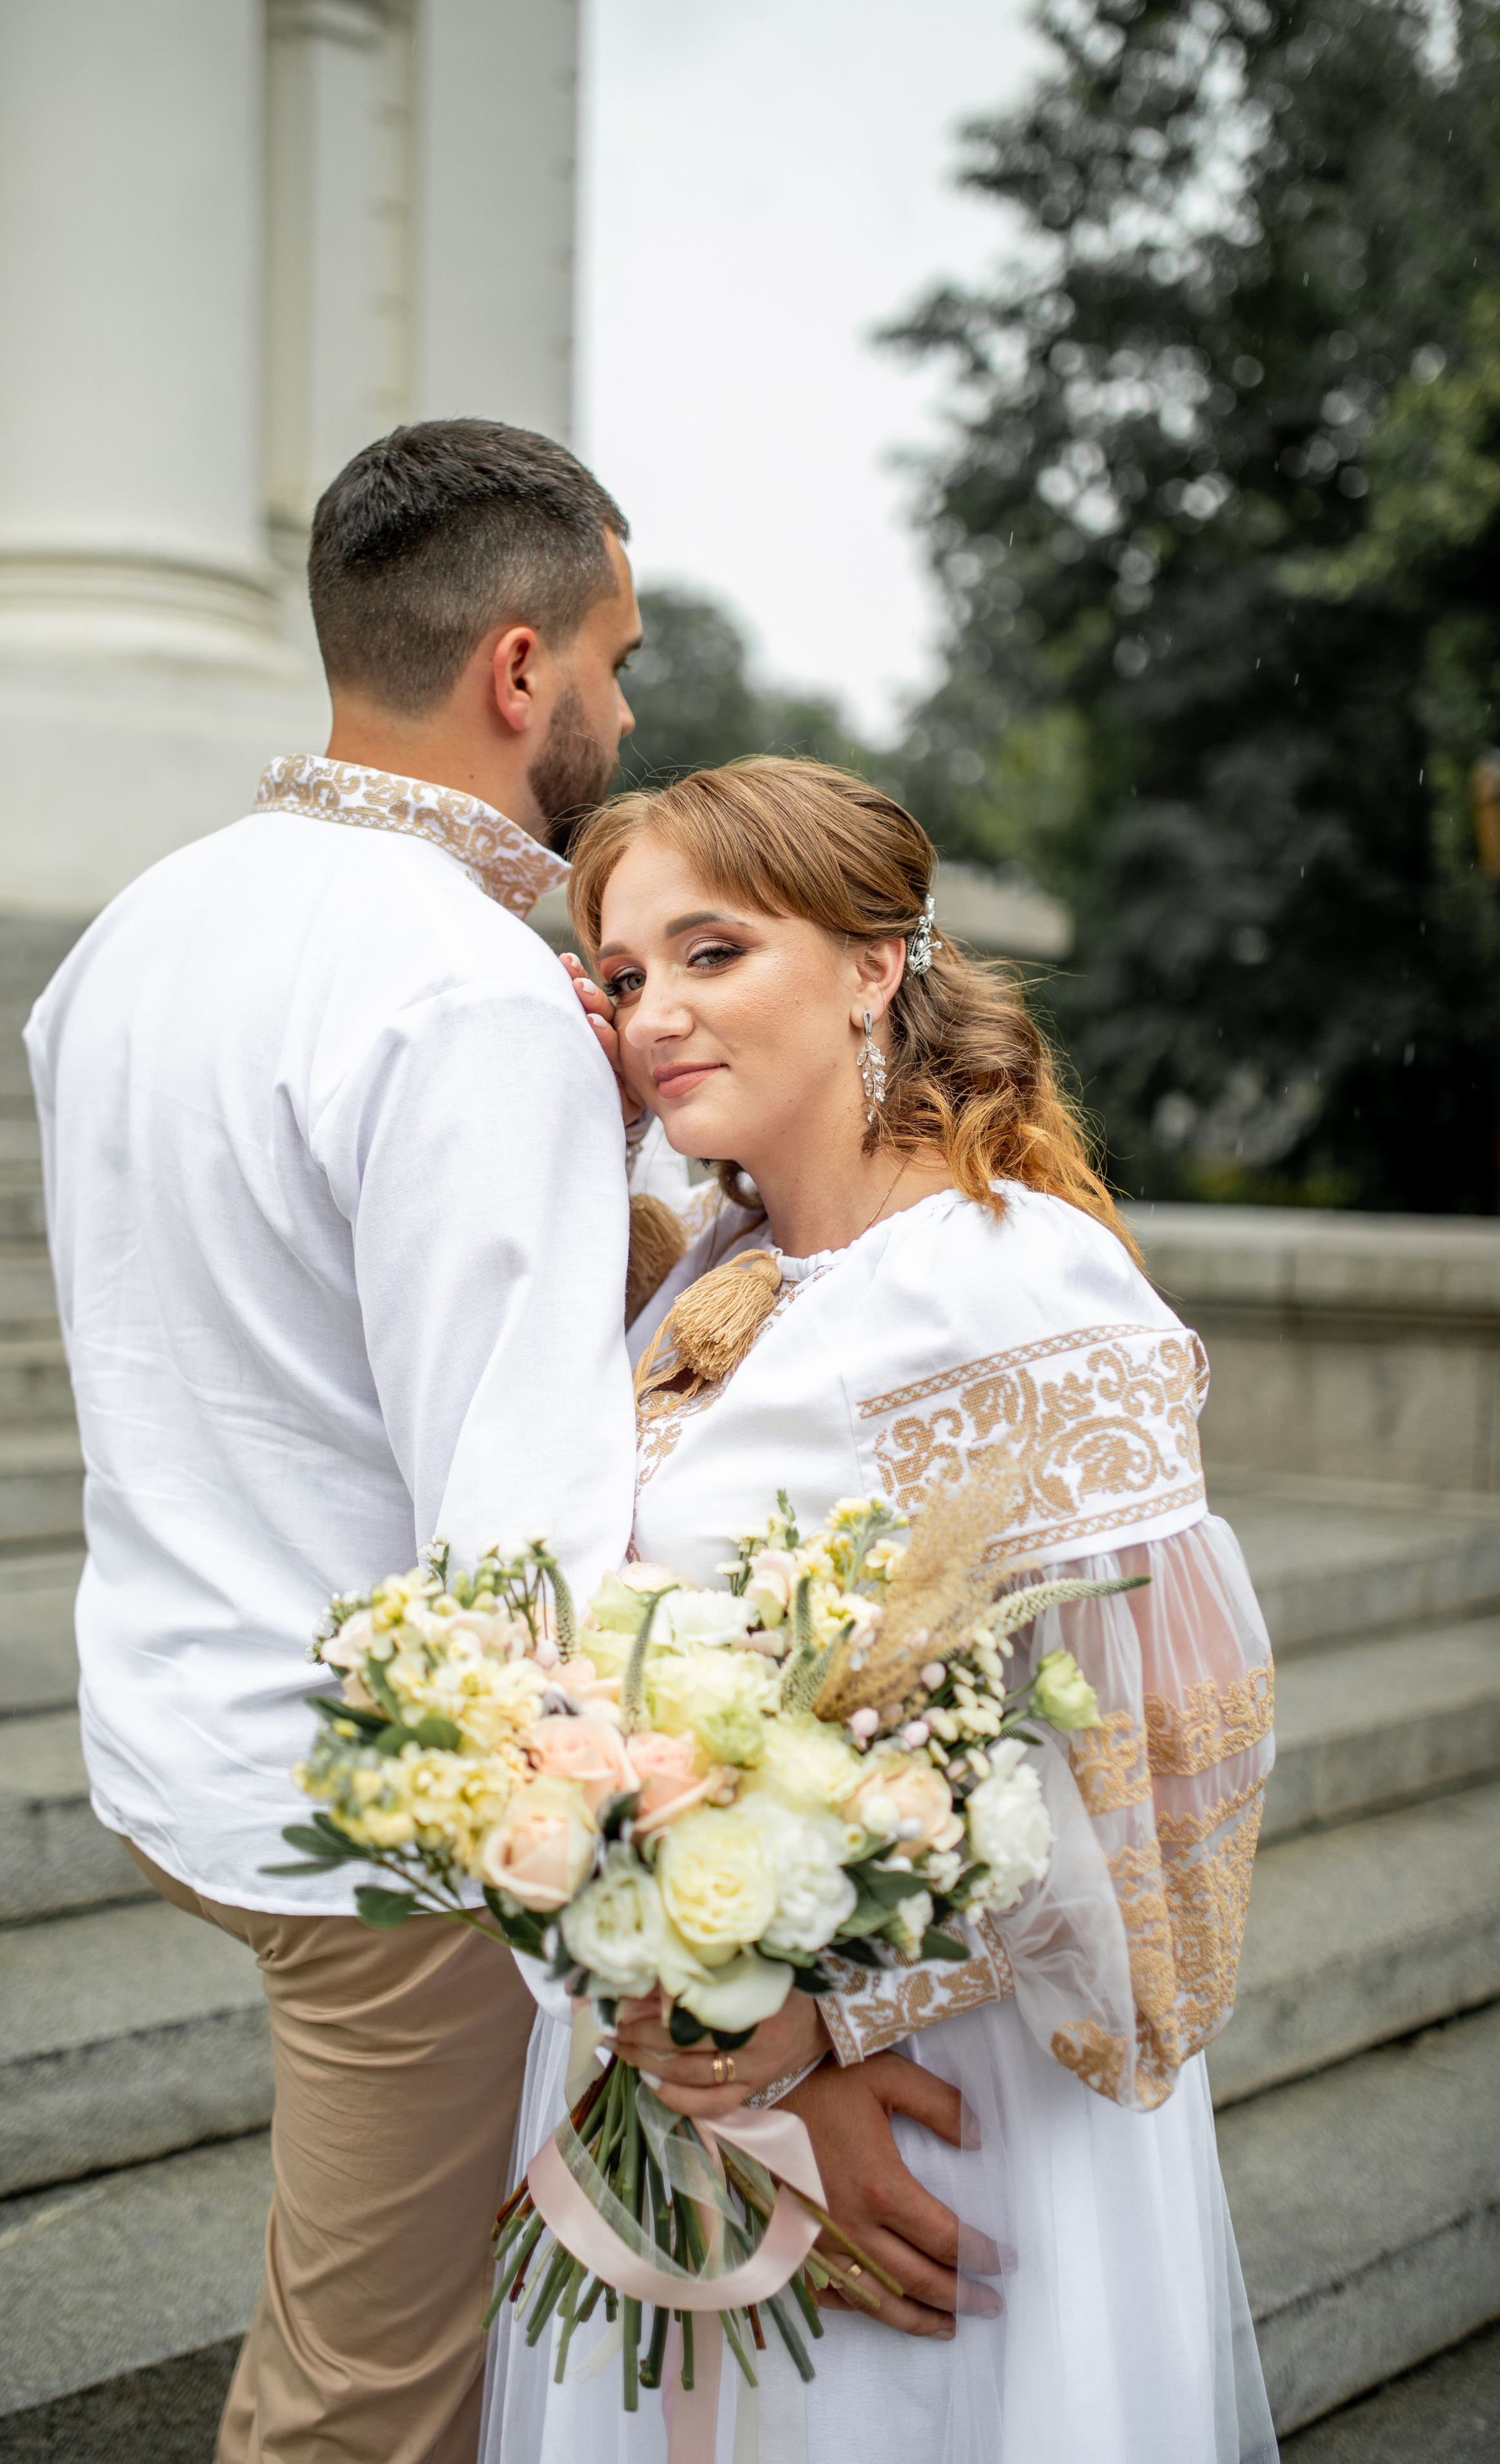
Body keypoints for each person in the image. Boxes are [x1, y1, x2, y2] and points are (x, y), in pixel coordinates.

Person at [483, 758, 1279, 2464]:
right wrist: (678, 1983)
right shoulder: (697, 1267)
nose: (656, 1014)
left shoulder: (1016, 1286)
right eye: (623, 978)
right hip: (686, 2052)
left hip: (951, 2094)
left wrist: (831, 2027)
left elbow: (1144, 1777)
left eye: (714, 953)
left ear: (872, 964)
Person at [24, 420, 647, 2464]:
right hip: (377, 1815)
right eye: (619, 662)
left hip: (171, 1713)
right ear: (521, 669)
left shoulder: (135, 926)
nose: (625, 715)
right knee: (357, 2406)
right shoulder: (466, 988)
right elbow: (520, 1512)